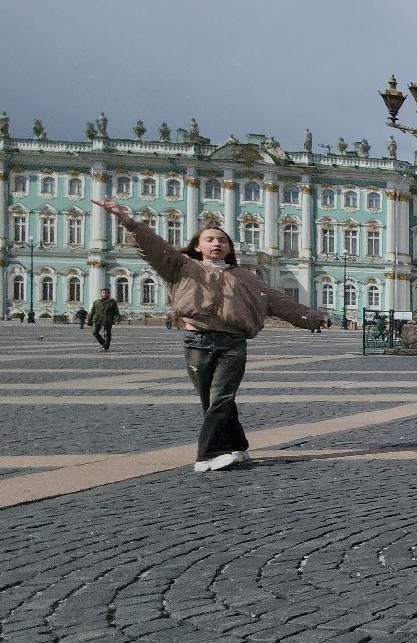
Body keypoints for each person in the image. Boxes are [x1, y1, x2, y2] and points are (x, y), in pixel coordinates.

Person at [93, 199, 330, 471]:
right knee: (211, 399)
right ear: (198, 246)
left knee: (221, 398)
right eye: (209, 239)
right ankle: (237, 446)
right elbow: (155, 247)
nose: (217, 243)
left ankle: (208, 454)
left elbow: (278, 301)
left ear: (229, 248)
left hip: (232, 343)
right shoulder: (182, 267)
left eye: (222, 240)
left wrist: (313, 318)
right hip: (197, 341)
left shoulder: (246, 277)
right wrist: (128, 221)